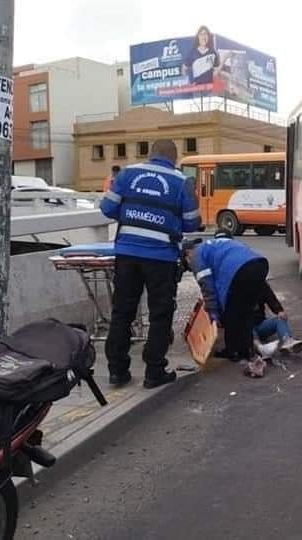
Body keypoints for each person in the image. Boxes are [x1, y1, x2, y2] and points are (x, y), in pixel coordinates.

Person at [100, 140, 201, 389]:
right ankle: (153, 372)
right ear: (174, 158)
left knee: (122, 312)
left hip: (127, 254)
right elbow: (191, 223)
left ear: (150, 155)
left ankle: (117, 371)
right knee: (160, 314)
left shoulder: (127, 174)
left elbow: (107, 208)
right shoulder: (182, 182)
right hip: (161, 258)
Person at [189, 229, 270, 367]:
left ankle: (232, 351)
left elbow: (208, 287)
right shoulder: (218, 245)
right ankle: (247, 350)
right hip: (260, 264)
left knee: (231, 311)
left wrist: (214, 313)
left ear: (187, 254)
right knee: (247, 311)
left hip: (238, 270)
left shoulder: (196, 255)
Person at [252, 281, 302, 360]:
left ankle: (287, 341)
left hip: (260, 324)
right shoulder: (235, 289)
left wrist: (279, 311)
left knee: (280, 319)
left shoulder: (261, 284)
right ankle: (260, 348)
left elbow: (271, 298)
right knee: (245, 328)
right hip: (246, 330)